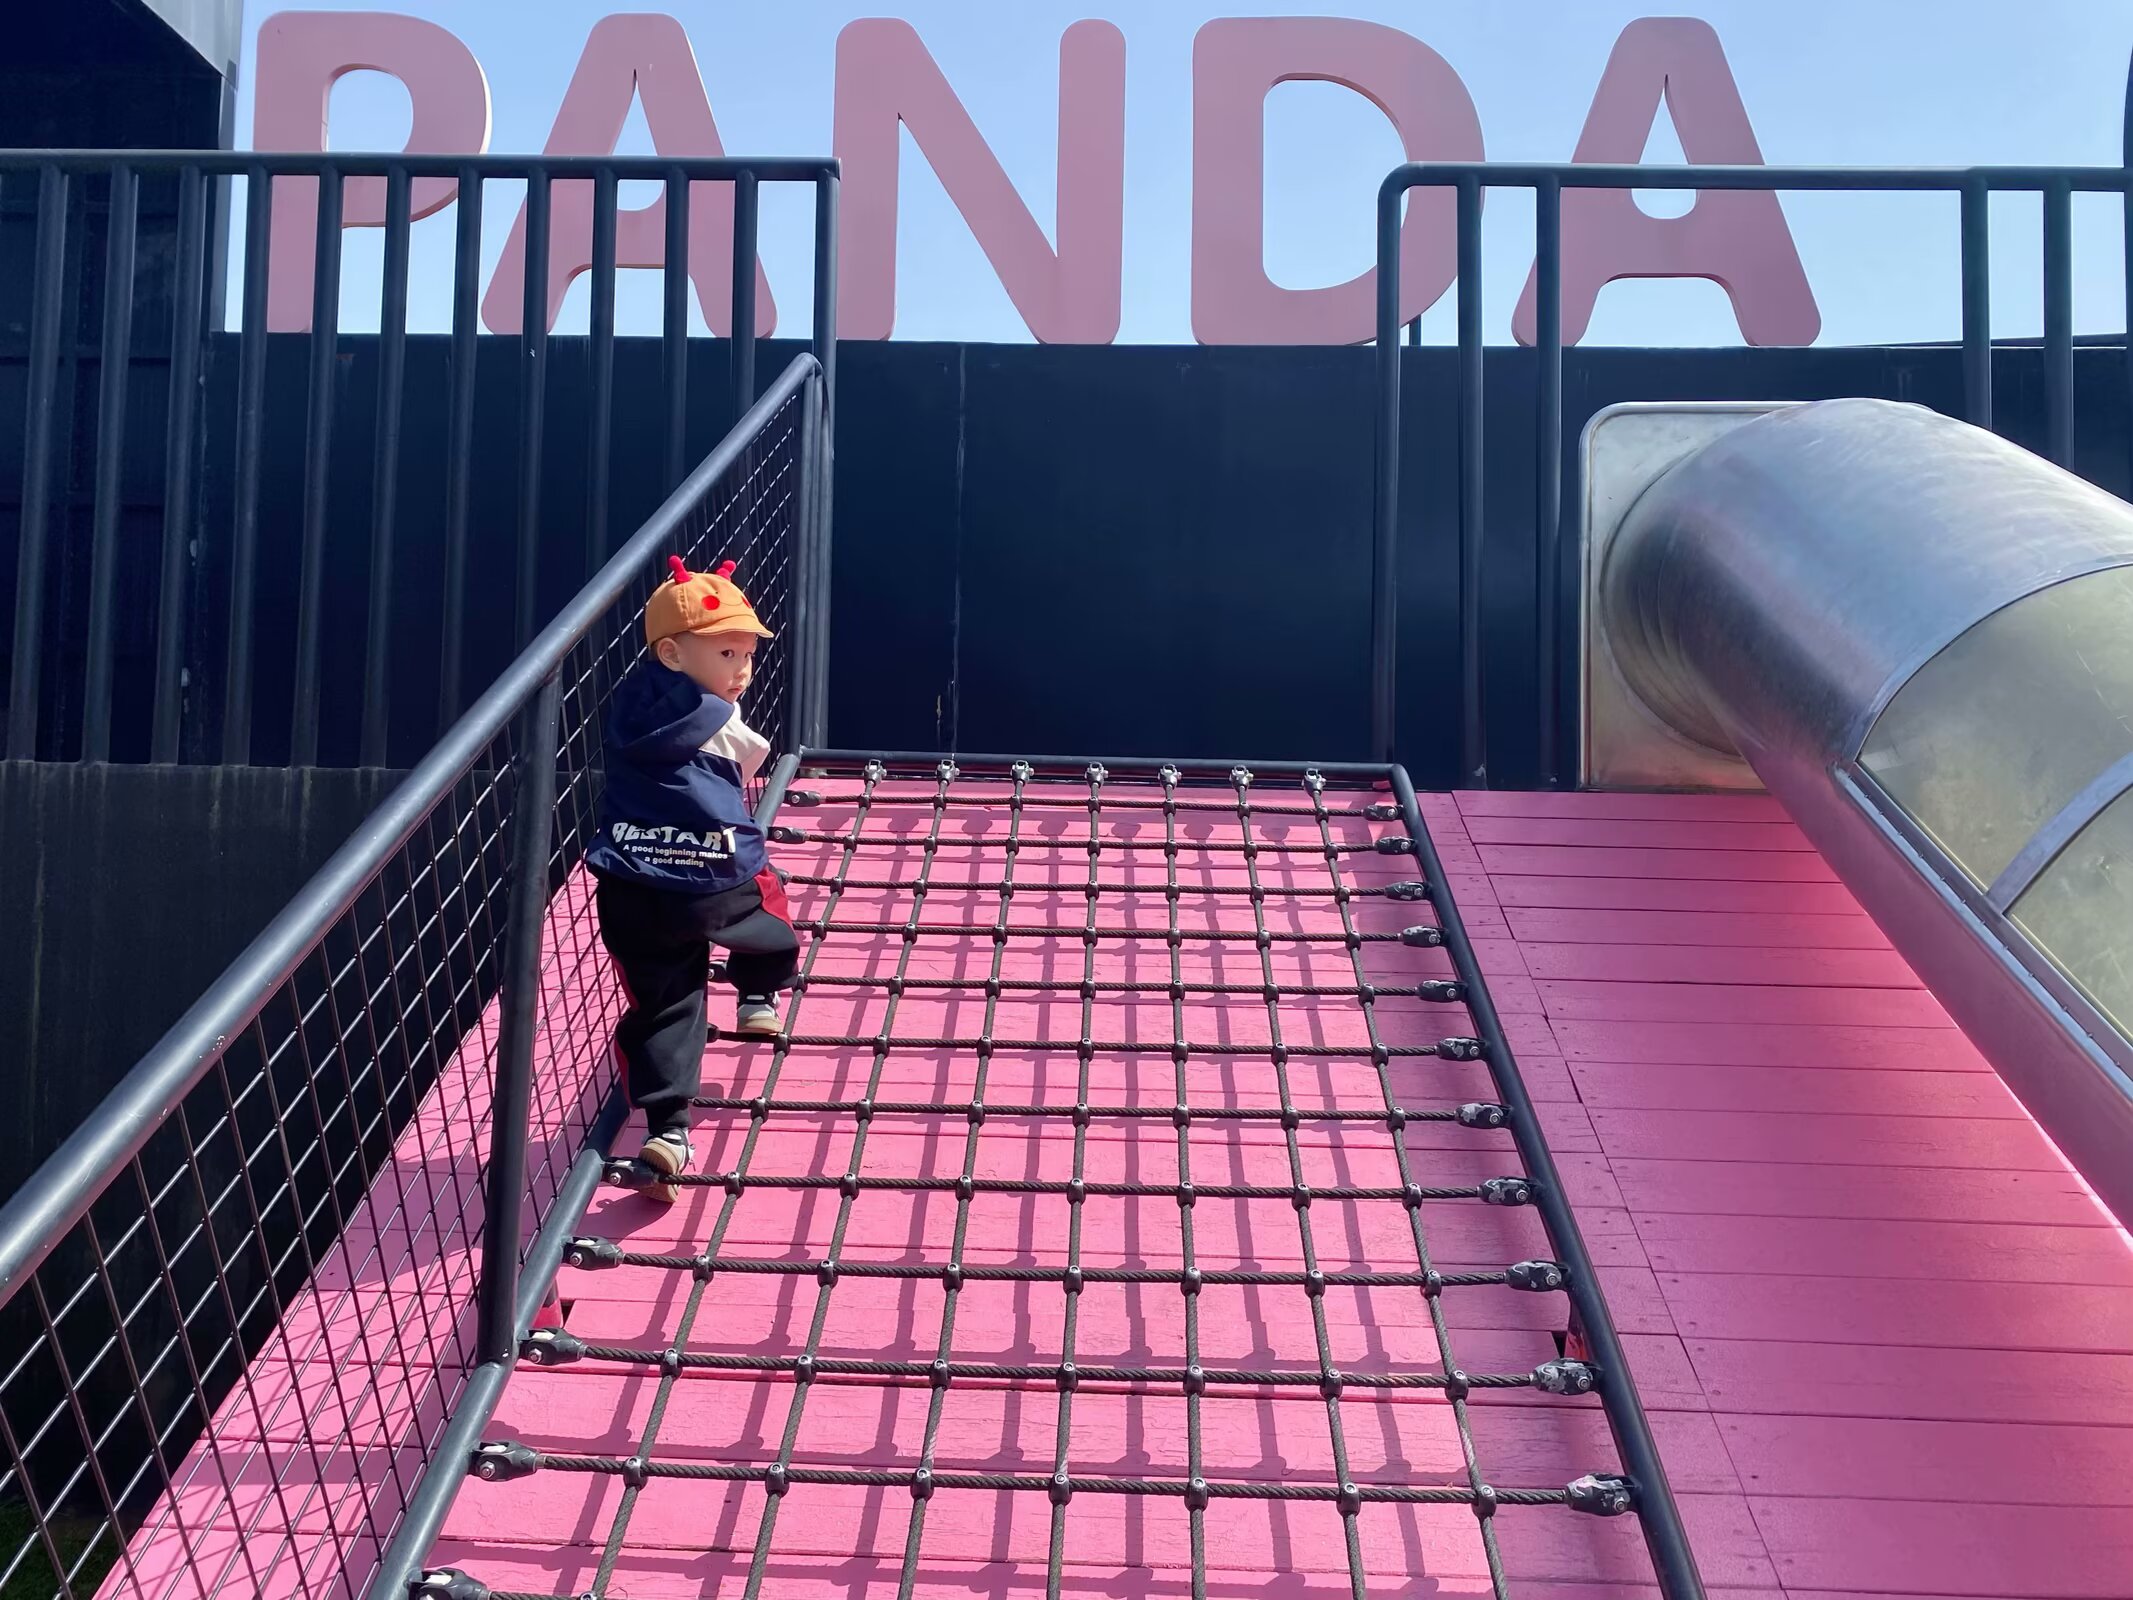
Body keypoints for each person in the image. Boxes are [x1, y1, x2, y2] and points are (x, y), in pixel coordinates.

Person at [586, 554, 797, 1201]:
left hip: (630, 880)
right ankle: (757, 995)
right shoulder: (717, 715)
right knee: (770, 911)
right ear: (673, 654)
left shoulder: (627, 706)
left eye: (746, 654)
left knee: (663, 1002)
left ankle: (668, 1132)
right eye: (728, 654)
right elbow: (753, 757)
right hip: (714, 877)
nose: (742, 669)